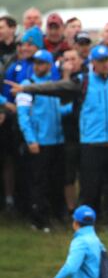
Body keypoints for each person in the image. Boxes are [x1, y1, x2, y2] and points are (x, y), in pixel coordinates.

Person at [6, 45, 108, 225]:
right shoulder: (83, 81)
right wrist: (27, 89)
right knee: (89, 188)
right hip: (92, 143)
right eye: (100, 61)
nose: (104, 65)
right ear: (93, 63)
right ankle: (83, 222)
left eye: (106, 61)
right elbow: (56, 86)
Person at [15, 51, 70, 232]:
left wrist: (74, 106)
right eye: (35, 63)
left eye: (41, 63)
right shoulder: (26, 85)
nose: (37, 66)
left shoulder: (53, 85)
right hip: (39, 141)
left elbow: (59, 111)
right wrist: (31, 139)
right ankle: (38, 219)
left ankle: (54, 215)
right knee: (39, 182)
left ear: (49, 65)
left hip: (57, 140)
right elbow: (23, 116)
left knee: (55, 180)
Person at [45, 205, 108, 278]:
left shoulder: (80, 241)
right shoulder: (97, 242)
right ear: (93, 223)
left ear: (75, 223)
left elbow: (70, 269)